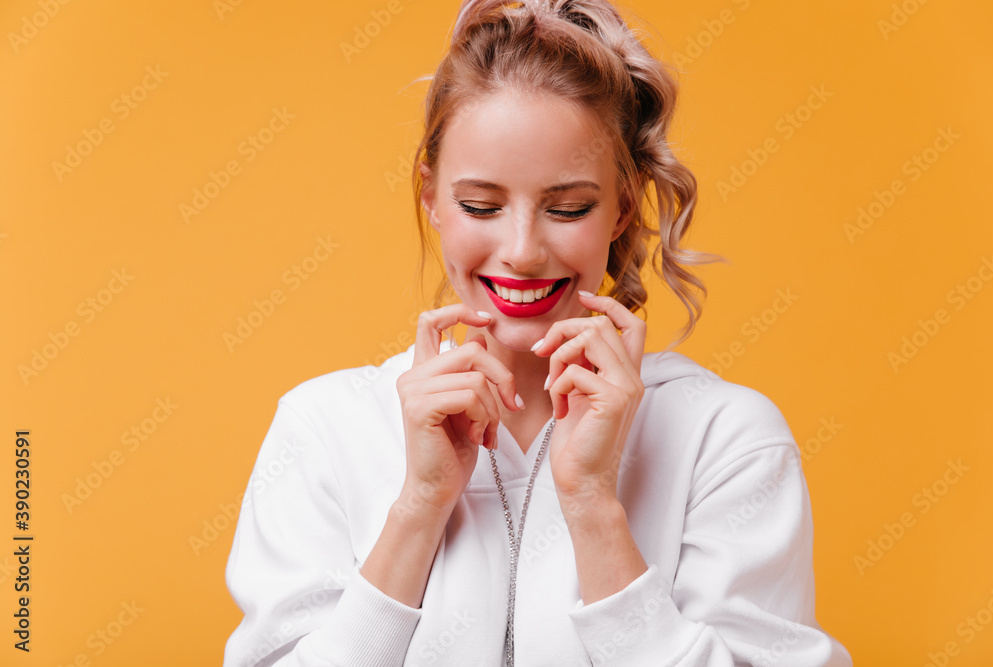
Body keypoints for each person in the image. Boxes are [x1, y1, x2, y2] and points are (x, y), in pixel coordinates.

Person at [223, 1, 853, 665]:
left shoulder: (725, 440)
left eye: (568, 207)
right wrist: (418, 507)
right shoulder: (323, 430)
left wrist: (593, 505)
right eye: (481, 205)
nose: (522, 250)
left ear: (622, 209)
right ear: (431, 197)